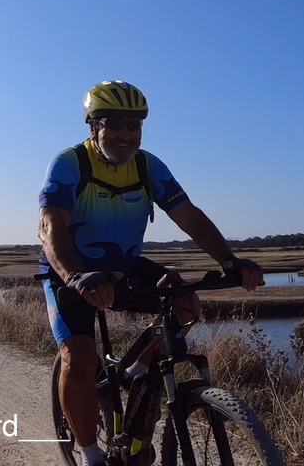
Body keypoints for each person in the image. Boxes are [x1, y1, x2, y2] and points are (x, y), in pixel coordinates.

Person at [38, 80, 263, 466]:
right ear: (94, 126)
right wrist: (75, 276)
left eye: (135, 125)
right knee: (79, 358)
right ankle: (90, 455)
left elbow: (188, 215)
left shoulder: (148, 166)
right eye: (115, 124)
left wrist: (229, 260)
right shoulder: (70, 162)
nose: (126, 134)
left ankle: (137, 371)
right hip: (71, 271)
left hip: (124, 266)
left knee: (187, 304)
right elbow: (50, 225)